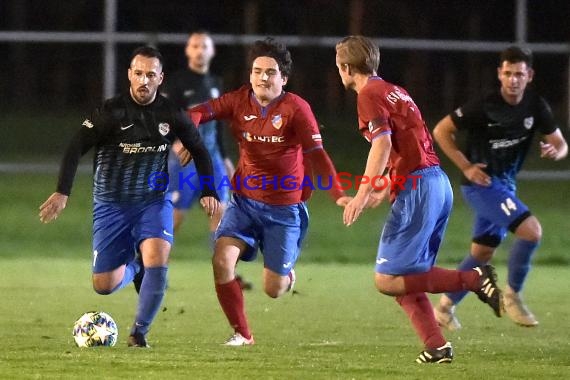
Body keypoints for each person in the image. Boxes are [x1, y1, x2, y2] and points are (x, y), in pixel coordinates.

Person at [335, 35, 504, 364]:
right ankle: (436, 345)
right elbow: (406, 145)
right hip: (436, 184)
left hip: (419, 189)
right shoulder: (395, 90)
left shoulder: (368, 94)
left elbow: (382, 145)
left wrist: (363, 191)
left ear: (345, 67)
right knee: (405, 278)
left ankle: (472, 278)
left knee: (386, 280)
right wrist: (384, 185)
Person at [39, 46, 220, 348]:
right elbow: (74, 148)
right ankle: (136, 267)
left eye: (151, 75)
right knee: (104, 285)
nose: (144, 81)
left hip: (153, 200)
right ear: (129, 75)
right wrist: (62, 191)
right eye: (138, 74)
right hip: (111, 205)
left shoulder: (171, 114)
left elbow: (200, 150)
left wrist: (208, 190)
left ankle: (139, 332)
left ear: (160, 78)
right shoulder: (110, 113)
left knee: (159, 257)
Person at [181, 37, 350, 346]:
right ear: (250, 75)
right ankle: (242, 333)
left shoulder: (297, 109)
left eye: (270, 72)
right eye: (257, 71)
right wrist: (190, 140)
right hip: (244, 203)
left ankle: (286, 275)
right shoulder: (237, 101)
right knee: (221, 261)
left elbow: (317, 155)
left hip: (284, 210)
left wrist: (338, 194)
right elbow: (195, 112)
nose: (262, 77)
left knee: (274, 288)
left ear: (283, 78)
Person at [433, 46, 568, 330]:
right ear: (499, 74)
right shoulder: (484, 105)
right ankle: (513, 296)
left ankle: (444, 308)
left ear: (529, 75)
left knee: (482, 253)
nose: (513, 79)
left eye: (519, 74)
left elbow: (560, 143)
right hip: (481, 186)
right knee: (532, 232)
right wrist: (466, 166)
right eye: (507, 73)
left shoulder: (535, 106)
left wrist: (556, 151)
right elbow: (441, 130)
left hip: (505, 187)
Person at [162, 31, 252, 290]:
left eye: (205, 46)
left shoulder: (215, 82)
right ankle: (153, 269)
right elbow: (166, 118)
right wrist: (174, 142)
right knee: (175, 218)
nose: (200, 50)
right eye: (195, 45)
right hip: (185, 160)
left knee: (221, 215)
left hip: (211, 159)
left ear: (211, 52)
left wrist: (224, 158)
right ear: (188, 51)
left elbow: (220, 124)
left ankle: (227, 274)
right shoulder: (178, 82)